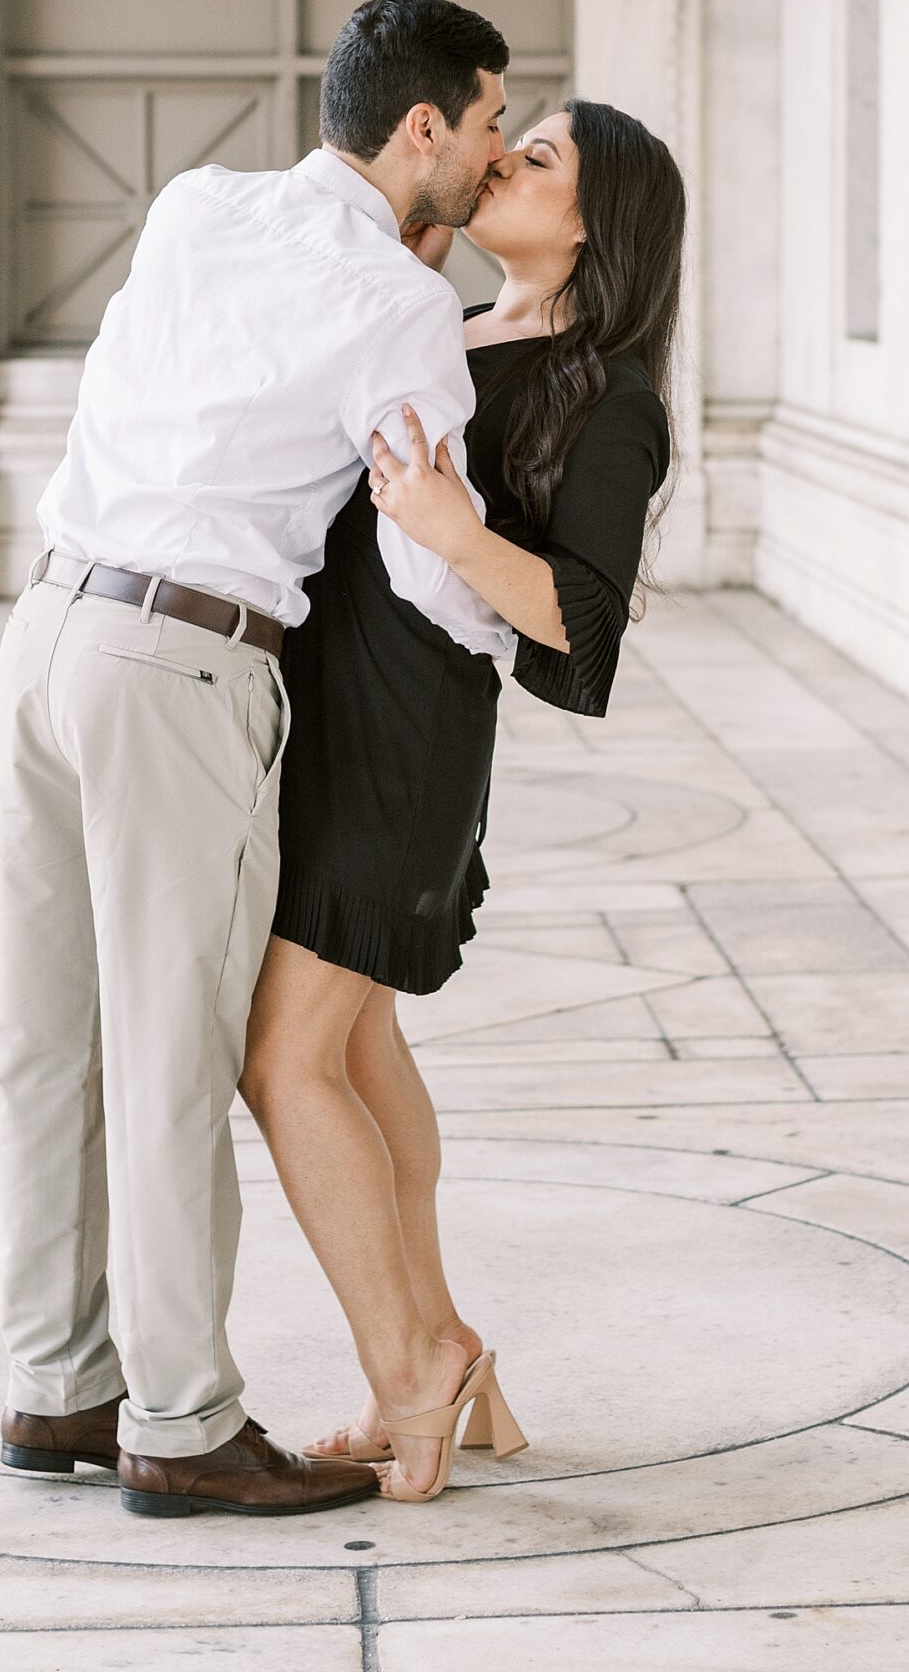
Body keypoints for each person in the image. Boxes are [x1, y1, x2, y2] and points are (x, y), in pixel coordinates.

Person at [0, 0, 517, 1520]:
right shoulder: (406, 308)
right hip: (177, 665)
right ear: (421, 124)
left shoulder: (197, 202)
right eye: (488, 122)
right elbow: (424, 554)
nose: (493, 155)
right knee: (168, 1052)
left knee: (49, 1041)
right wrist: (510, 645)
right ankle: (180, 1421)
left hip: (46, 632)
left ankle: (55, 1389)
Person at [239, 98, 684, 1503]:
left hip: (405, 735)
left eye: (536, 157)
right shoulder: (447, 325)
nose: (500, 162)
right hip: (325, 711)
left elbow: (587, 628)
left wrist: (454, 529)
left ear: (594, 223)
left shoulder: (607, 392)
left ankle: (407, 1373)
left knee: (285, 1059)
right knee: (358, 1053)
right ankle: (443, 1347)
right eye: (512, 137)